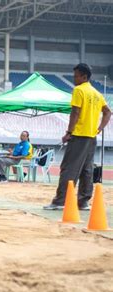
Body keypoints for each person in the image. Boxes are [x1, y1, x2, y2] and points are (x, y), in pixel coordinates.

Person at [44, 63, 111, 210]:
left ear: (84, 77)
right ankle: (83, 202)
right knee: (87, 169)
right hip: (91, 137)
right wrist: (99, 128)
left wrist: (68, 132)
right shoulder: (97, 94)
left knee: (68, 168)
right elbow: (108, 112)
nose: (74, 79)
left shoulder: (79, 90)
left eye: (76, 76)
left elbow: (75, 112)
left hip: (79, 135)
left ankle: (60, 201)